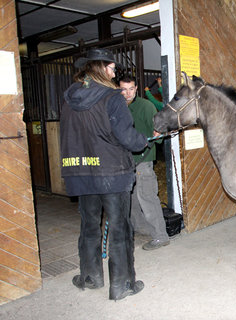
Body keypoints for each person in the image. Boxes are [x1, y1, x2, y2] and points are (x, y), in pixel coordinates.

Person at [60, 48, 149, 301]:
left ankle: (90, 277)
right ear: (99, 67)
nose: (114, 73)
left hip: (81, 172)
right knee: (120, 228)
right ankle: (122, 285)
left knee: (89, 226)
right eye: (111, 68)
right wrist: (142, 140)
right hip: (112, 173)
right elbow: (126, 136)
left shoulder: (68, 99)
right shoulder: (113, 97)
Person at [119, 75, 171, 251]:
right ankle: (138, 227)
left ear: (136, 88)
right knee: (131, 198)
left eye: (131, 89)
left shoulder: (146, 106)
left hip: (143, 160)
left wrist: (157, 134)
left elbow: (159, 132)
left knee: (147, 196)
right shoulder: (116, 107)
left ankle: (160, 235)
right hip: (124, 161)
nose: (127, 93)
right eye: (123, 89)